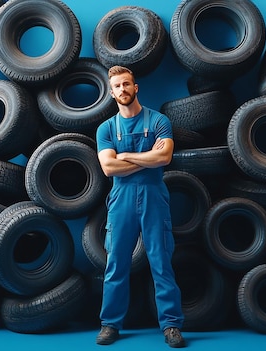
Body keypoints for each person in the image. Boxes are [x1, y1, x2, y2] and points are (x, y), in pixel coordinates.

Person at [94, 65, 185, 348]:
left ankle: (171, 325)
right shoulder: (106, 128)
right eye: (117, 87)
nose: (122, 90)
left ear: (136, 88)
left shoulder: (159, 121)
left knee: (161, 262)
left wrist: (127, 156)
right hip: (121, 199)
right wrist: (147, 156)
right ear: (112, 93)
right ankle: (110, 324)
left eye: (126, 84)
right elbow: (109, 168)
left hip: (154, 197)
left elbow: (165, 157)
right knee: (117, 262)